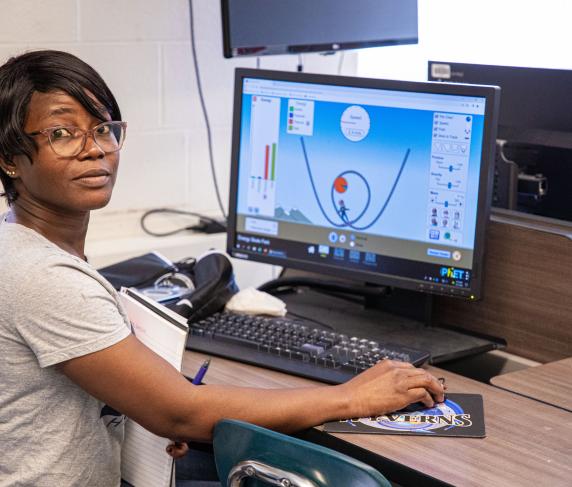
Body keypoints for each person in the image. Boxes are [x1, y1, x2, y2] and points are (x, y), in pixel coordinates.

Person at [0, 50, 444, 487]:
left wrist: (155, 412)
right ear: (8, 158)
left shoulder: (18, 241)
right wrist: (351, 396)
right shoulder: (46, 277)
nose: (94, 149)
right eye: (62, 133)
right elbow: (182, 412)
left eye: (103, 129)